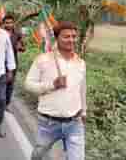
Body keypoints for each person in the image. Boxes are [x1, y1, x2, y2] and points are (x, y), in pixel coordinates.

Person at [25, 21, 86, 160]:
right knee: (38, 155)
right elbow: (28, 84)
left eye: (73, 36)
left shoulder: (80, 63)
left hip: (74, 122)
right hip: (48, 122)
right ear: (57, 38)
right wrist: (52, 85)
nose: (71, 40)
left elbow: (82, 89)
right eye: (66, 36)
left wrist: (84, 111)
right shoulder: (43, 60)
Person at [0, 15, 25, 111]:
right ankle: (1, 102)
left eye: (10, 22)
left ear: (13, 23)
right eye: (7, 23)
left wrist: (20, 48)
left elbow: (23, 47)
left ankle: (6, 104)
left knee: (10, 85)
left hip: (13, 63)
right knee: (1, 84)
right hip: (0, 63)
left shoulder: (17, 34)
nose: (9, 24)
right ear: (3, 23)